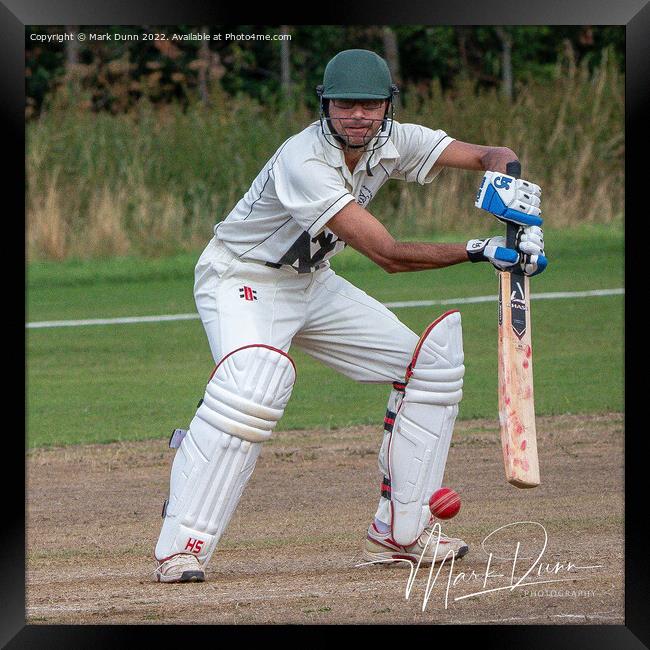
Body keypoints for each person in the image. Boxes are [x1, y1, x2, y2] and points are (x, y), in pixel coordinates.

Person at [153, 49, 546, 583]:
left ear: (387, 106)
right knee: (252, 390)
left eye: (370, 105)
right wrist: (480, 250)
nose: (358, 116)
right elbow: (387, 255)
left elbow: (492, 152)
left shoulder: (394, 140)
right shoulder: (304, 159)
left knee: (429, 367)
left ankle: (400, 533)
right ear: (325, 106)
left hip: (312, 284)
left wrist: (512, 197)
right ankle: (181, 548)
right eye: (345, 105)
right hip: (242, 278)